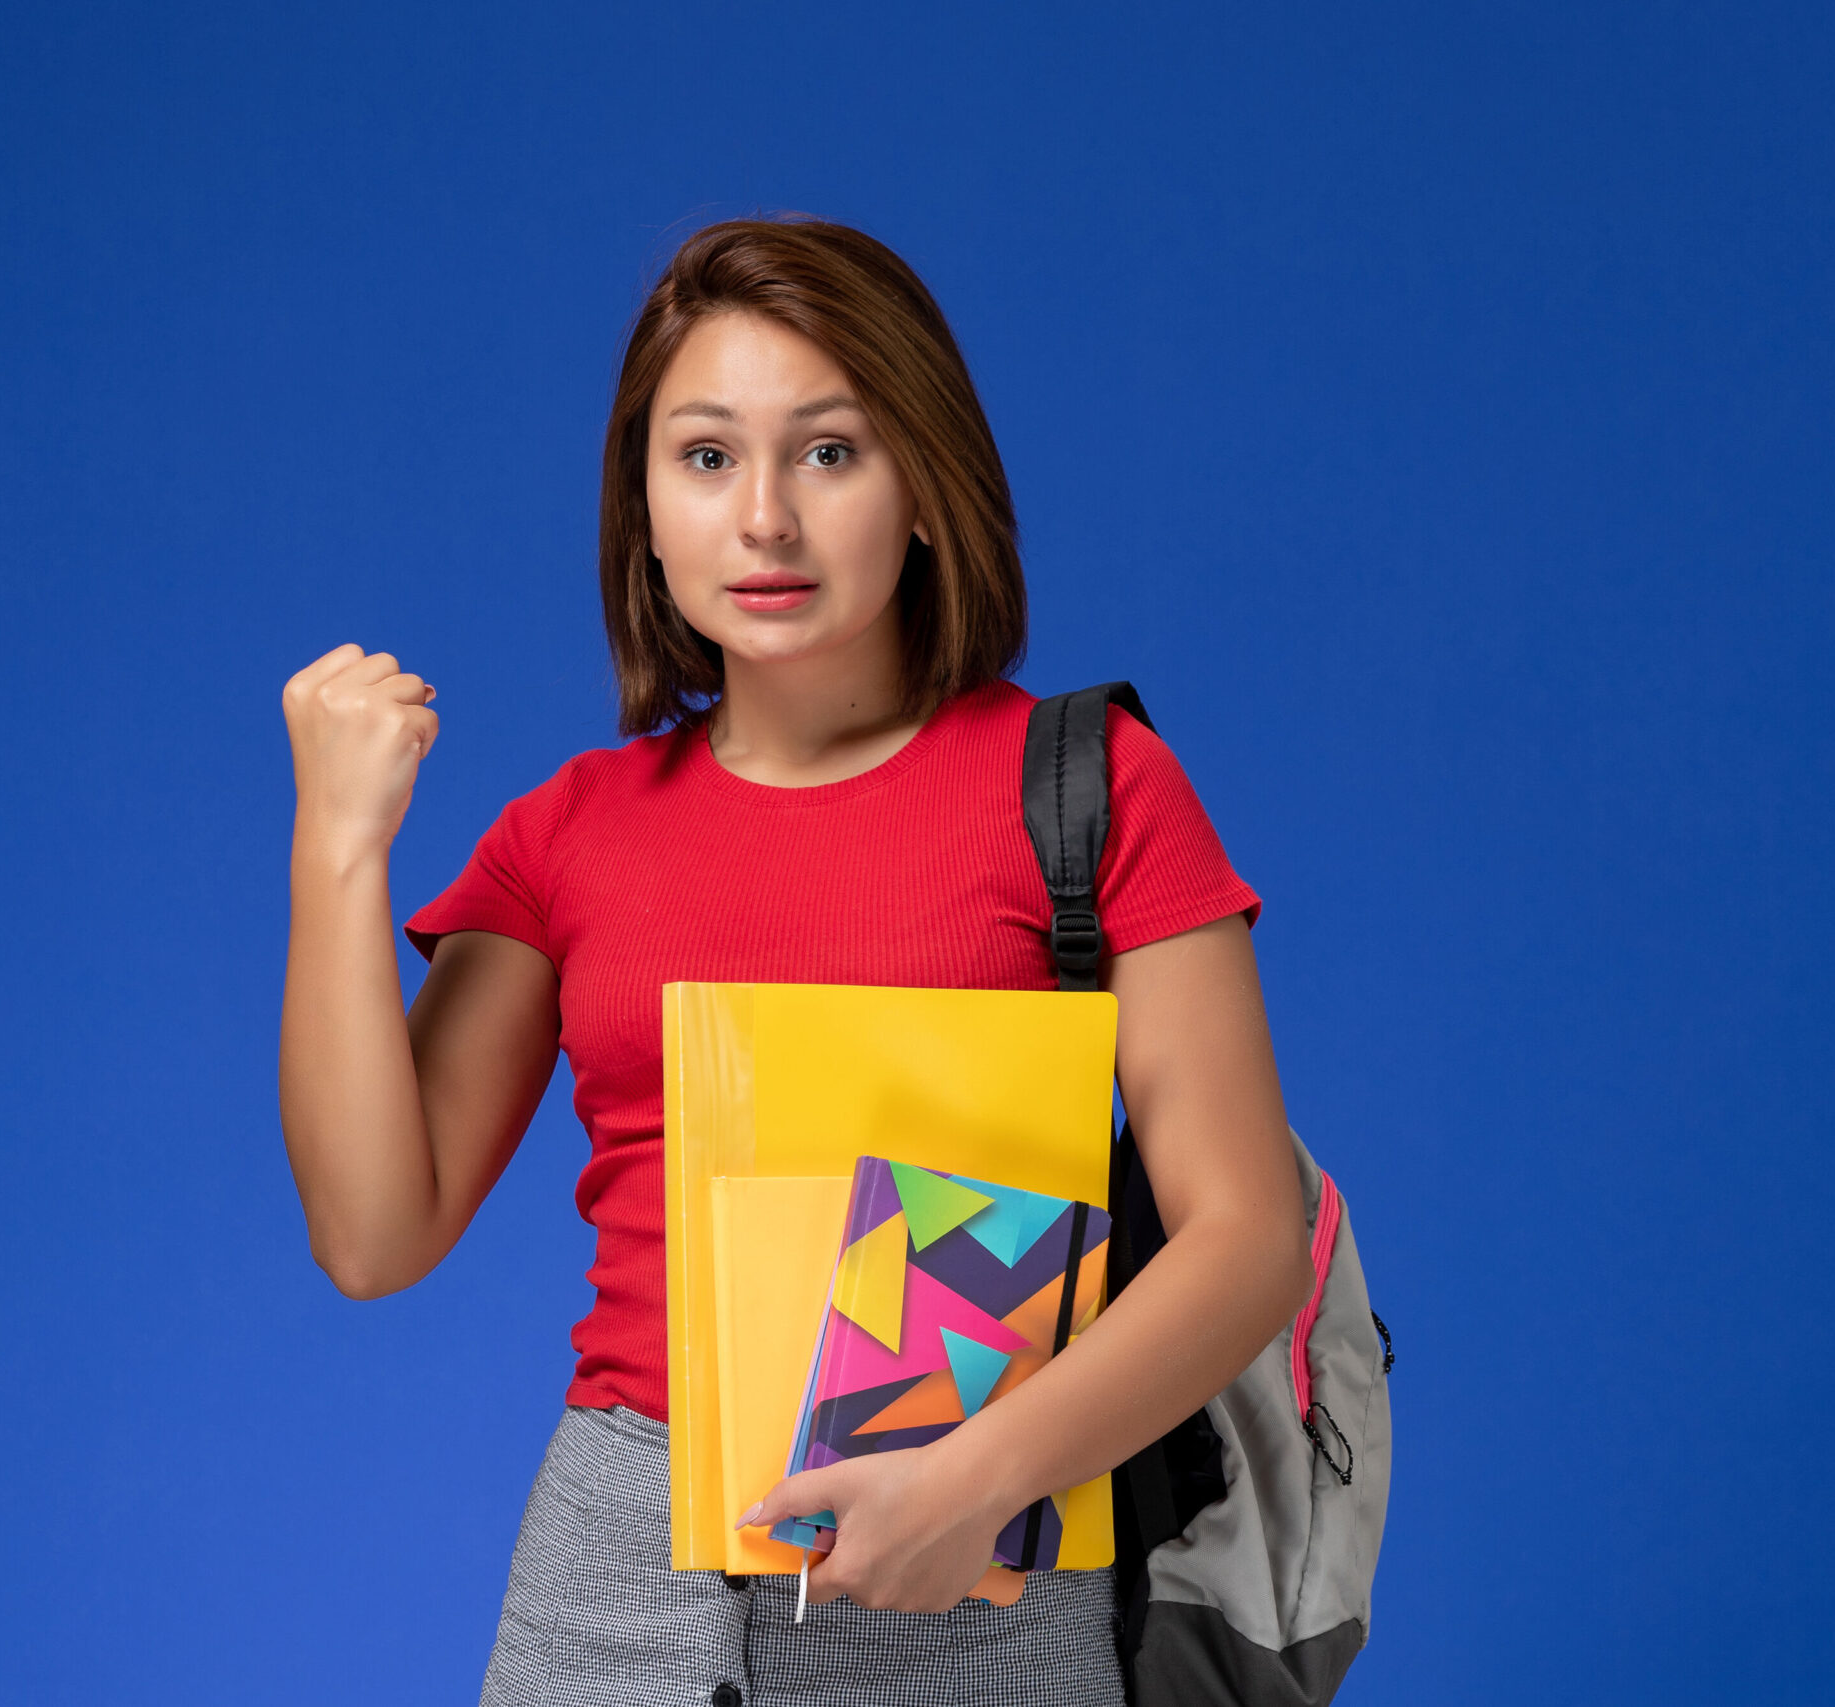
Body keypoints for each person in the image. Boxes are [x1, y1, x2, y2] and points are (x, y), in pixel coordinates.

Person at [277, 218, 1311, 1707]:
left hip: (980, 1564)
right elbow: (375, 1236)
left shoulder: (1094, 789)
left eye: (828, 453)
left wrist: (979, 1475)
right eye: (705, 458)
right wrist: (338, 850)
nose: (762, 518)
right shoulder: (568, 833)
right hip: (614, 1581)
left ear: (930, 492)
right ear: (641, 509)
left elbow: (1247, 1238)